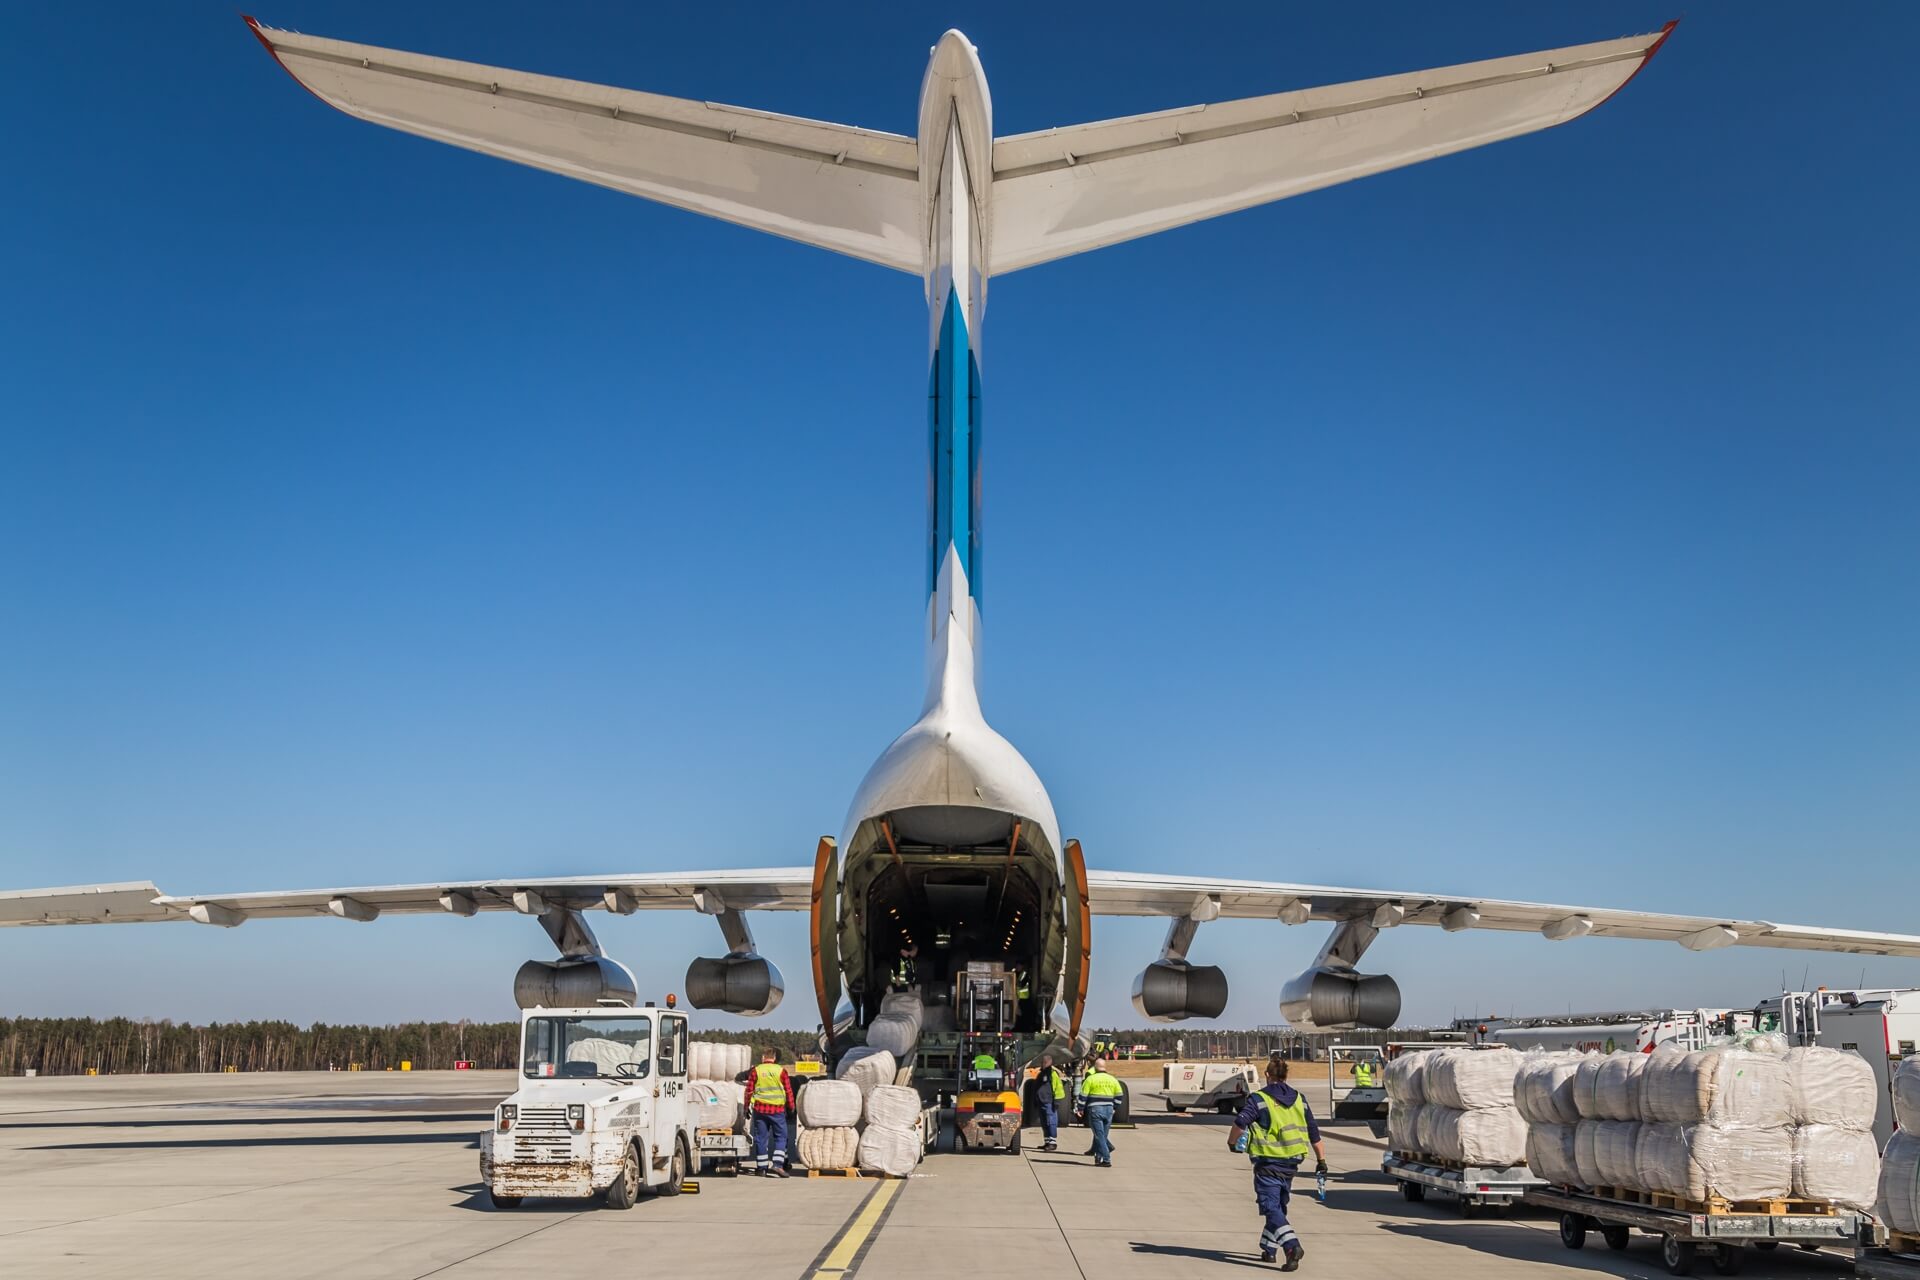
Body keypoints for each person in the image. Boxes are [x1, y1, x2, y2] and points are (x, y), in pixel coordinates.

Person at [1227, 1055, 1328, 1270]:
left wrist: (1232, 1142)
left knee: (1271, 1207)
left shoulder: (1259, 1099)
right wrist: (1321, 1161)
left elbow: (1240, 1122)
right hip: (1291, 1165)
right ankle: (1269, 1248)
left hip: (1268, 1164)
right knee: (1279, 1207)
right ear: (1286, 1075)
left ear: (1267, 1075)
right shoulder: (1300, 1099)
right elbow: (1314, 1133)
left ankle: (1292, 1247)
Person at [741, 1048, 795, 1177]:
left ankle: (761, 1168)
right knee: (781, 1137)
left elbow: (749, 1091)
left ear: (763, 1058)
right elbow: (788, 1091)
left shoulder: (756, 1071)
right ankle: (777, 1165)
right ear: (775, 1058)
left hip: (760, 1110)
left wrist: (746, 1107)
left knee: (761, 1139)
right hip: (777, 1111)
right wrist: (791, 1107)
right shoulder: (781, 1071)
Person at [1076, 1057, 1124, 1167]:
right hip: (1108, 1109)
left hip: (1095, 1109)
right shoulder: (1112, 1079)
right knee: (1103, 1134)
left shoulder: (1091, 1079)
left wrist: (1080, 1109)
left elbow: (1083, 1096)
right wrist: (1114, 1107)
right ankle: (1098, 1157)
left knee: (1099, 1135)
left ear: (1095, 1067)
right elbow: (1119, 1095)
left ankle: (1106, 1158)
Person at [1032, 1053, 1066, 1152]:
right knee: (1044, 1122)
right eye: (1043, 1062)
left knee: (1051, 1122)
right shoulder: (1041, 1074)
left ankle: (1052, 1143)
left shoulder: (1053, 1074)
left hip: (1049, 1102)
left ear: (1050, 1062)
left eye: (1045, 1062)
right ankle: (1047, 1141)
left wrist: (1057, 1101)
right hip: (1041, 1101)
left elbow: (1058, 1088)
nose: (1043, 1063)